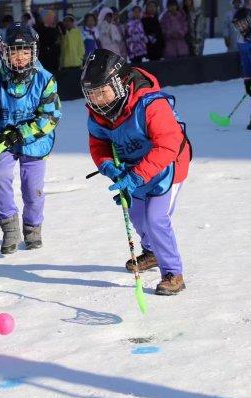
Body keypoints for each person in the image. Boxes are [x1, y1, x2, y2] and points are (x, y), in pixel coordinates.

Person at [82, 48, 192, 295]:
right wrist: (107, 165)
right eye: (92, 94)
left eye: (102, 92)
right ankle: (152, 252)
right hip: (135, 167)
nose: (98, 100)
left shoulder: (151, 104)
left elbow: (168, 145)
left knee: (155, 218)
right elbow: (98, 143)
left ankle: (173, 272)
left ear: (119, 84)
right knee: (137, 215)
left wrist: (136, 177)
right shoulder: (99, 112)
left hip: (169, 167)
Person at [0, 23, 62, 254]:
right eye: (13, 51)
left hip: (34, 141)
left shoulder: (45, 79)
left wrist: (21, 133)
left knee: (32, 188)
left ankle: (32, 227)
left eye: (24, 51)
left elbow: (50, 117)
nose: (19, 57)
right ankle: (10, 229)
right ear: (4, 52)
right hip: (3, 140)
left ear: (33, 52)